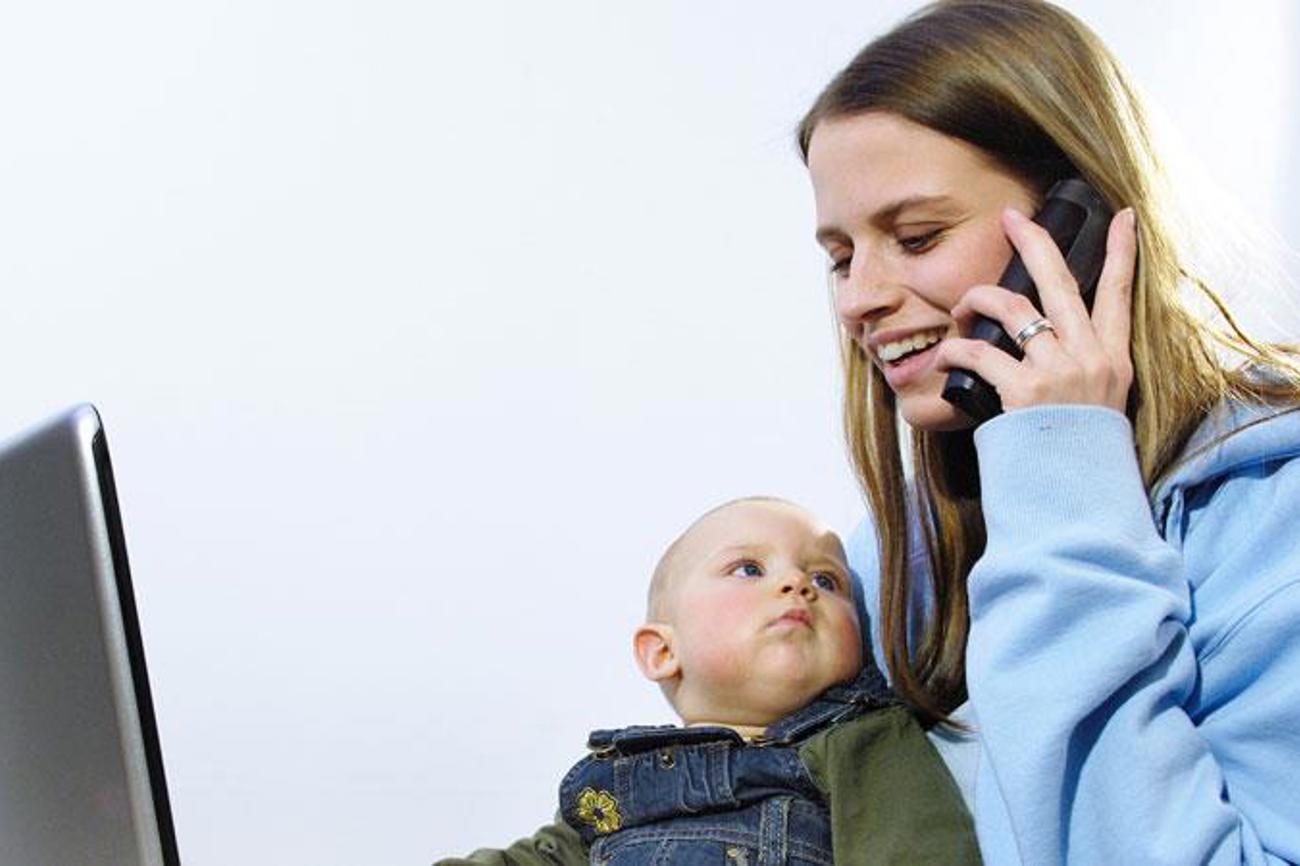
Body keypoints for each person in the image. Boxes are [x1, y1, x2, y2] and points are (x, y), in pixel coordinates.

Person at [796, 0, 1300, 863]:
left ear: (1079, 227)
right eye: (842, 257)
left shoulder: (1271, 520)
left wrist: (1061, 473)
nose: (858, 299)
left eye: (917, 237)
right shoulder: (887, 563)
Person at [434, 497, 980, 865]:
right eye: (749, 569)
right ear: (662, 652)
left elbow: (918, 849)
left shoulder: (860, 739)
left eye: (827, 580)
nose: (797, 583)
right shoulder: (615, 782)